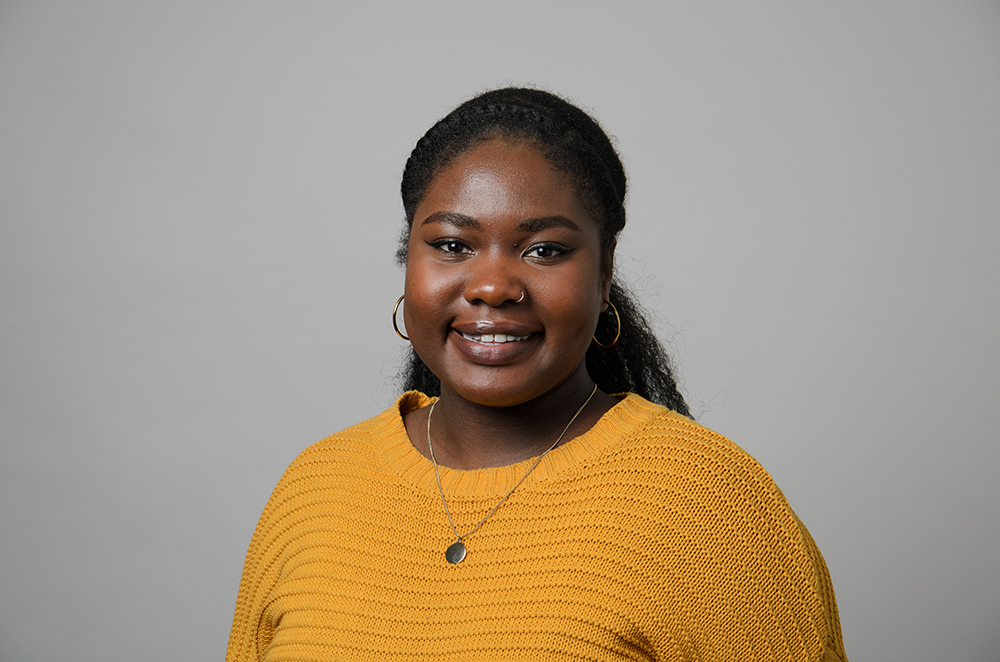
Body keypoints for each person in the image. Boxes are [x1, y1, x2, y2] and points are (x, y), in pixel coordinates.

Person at [226, 87, 847, 662]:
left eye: (544, 249)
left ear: (604, 276)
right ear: (407, 261)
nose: (493, 287)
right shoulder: (314, 487)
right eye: (451, 245)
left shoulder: (711, 506)